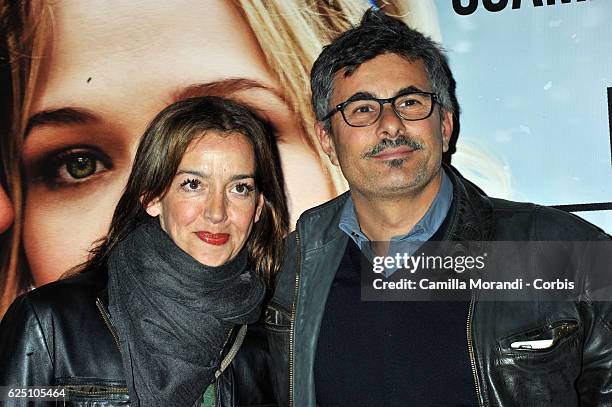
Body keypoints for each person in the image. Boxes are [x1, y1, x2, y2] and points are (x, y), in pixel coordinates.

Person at [0, 0, 443, 316]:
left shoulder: (482, 269)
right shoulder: (46, 336)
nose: (168, 208)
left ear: (336, 141)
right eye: (79, 163)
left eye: (229, 131)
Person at [265, 9, 612, 406]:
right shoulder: (292, 266)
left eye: (410, 102)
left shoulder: (565, 253)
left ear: (445, 125)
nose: (390, 125)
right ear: (326, 139)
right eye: (362, 109)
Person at [0, 96, 288, 406]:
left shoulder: (269, 342)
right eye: (192, 184)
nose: (217, 213)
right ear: (152, 197)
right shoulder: (50, 324)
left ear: (258, 207)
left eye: (239, 188)